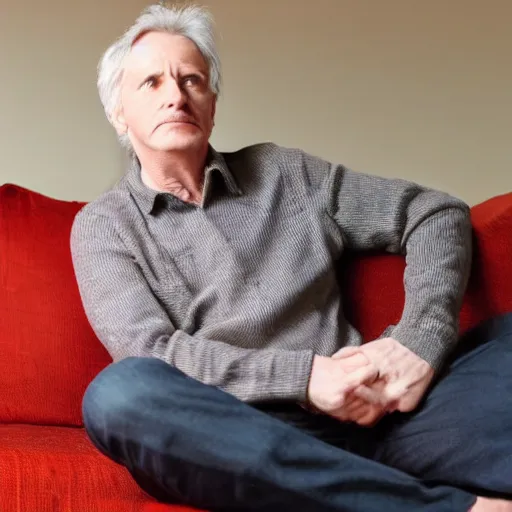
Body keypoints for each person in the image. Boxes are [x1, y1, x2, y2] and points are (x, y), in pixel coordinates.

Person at [71, 4, 512, 511]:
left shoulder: (284, 173)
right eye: (151, 83)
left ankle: (351, 488)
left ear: (212, 103)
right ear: (118, 112)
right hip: (237, 439)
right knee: (120, 396)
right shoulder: (105, 226)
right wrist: (305, 378)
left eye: (191, 80)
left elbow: (432, 212)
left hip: (374, 413)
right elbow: (152, 352)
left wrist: (417, 342)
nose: (175, 95)